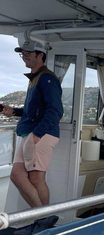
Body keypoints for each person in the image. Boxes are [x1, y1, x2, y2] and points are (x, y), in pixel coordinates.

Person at [1, 41, 63, 209]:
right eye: (22, 53)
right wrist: (13, 111)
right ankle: (42, 218)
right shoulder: (35, 78)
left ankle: (43, 220)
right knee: (17, 175)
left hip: (40, 133)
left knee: (36, 178)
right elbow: (32, 111)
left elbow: (56, 110)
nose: (24, 56)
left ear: (40, 55)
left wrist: (38, 134)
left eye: (28, 53)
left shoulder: (47, 78)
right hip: (29, 132)